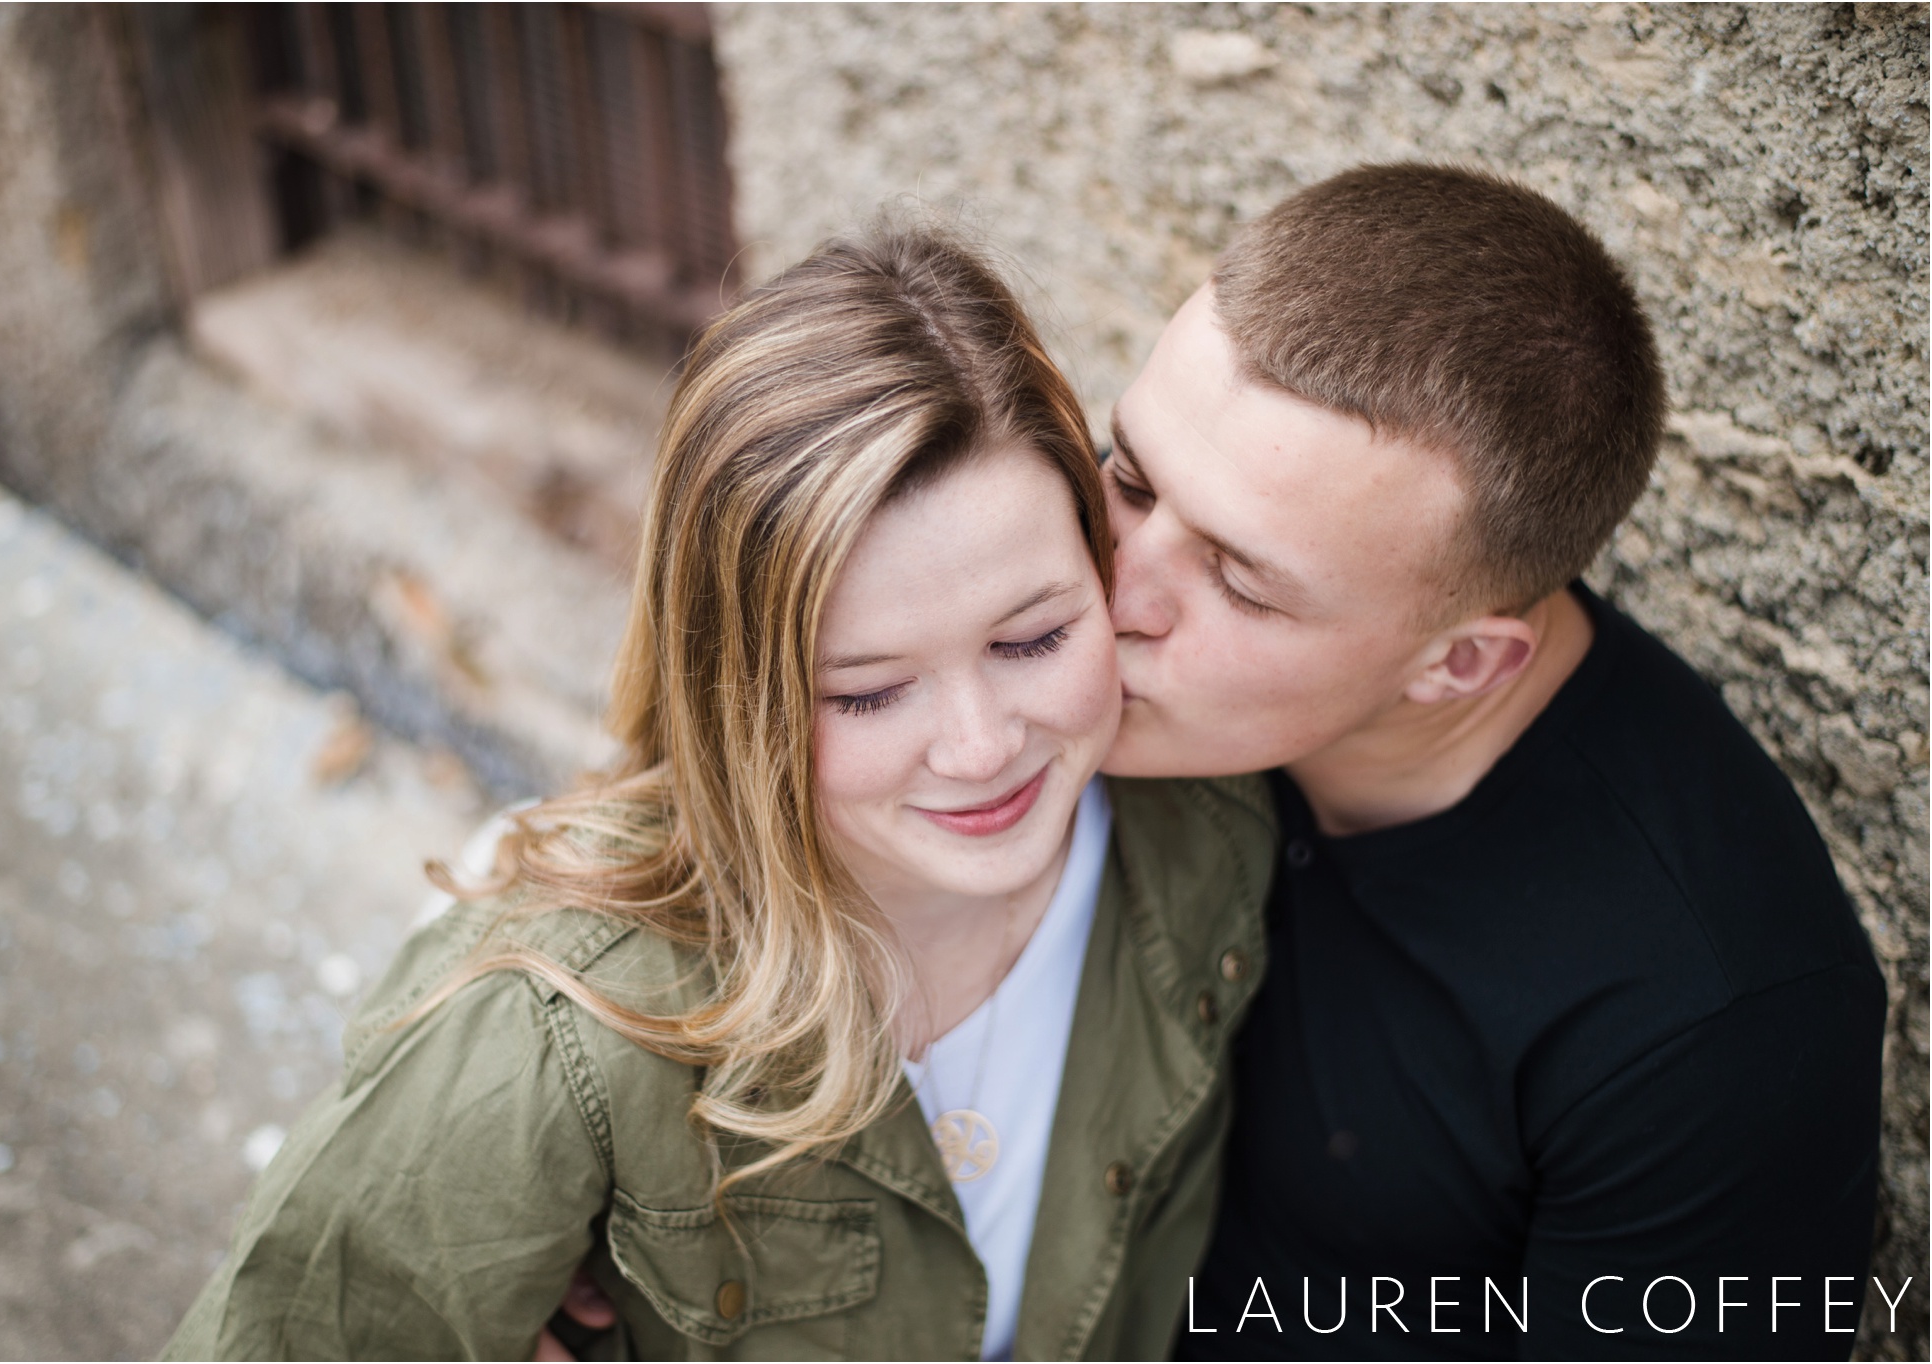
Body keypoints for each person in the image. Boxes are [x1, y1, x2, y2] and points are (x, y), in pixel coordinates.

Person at [163, 227, 1275, 1361]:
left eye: (1034, 637)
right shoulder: (553, 1032)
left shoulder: (1210, 824)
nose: (983, 747)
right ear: (731, 696)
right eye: (866, 693)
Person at [1089, 164, 1881, 1358]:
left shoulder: (1705, 1023)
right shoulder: (1083, 648)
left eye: (1240, 582)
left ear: (1458, 665)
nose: (1108, 594)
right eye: (1129, 477)